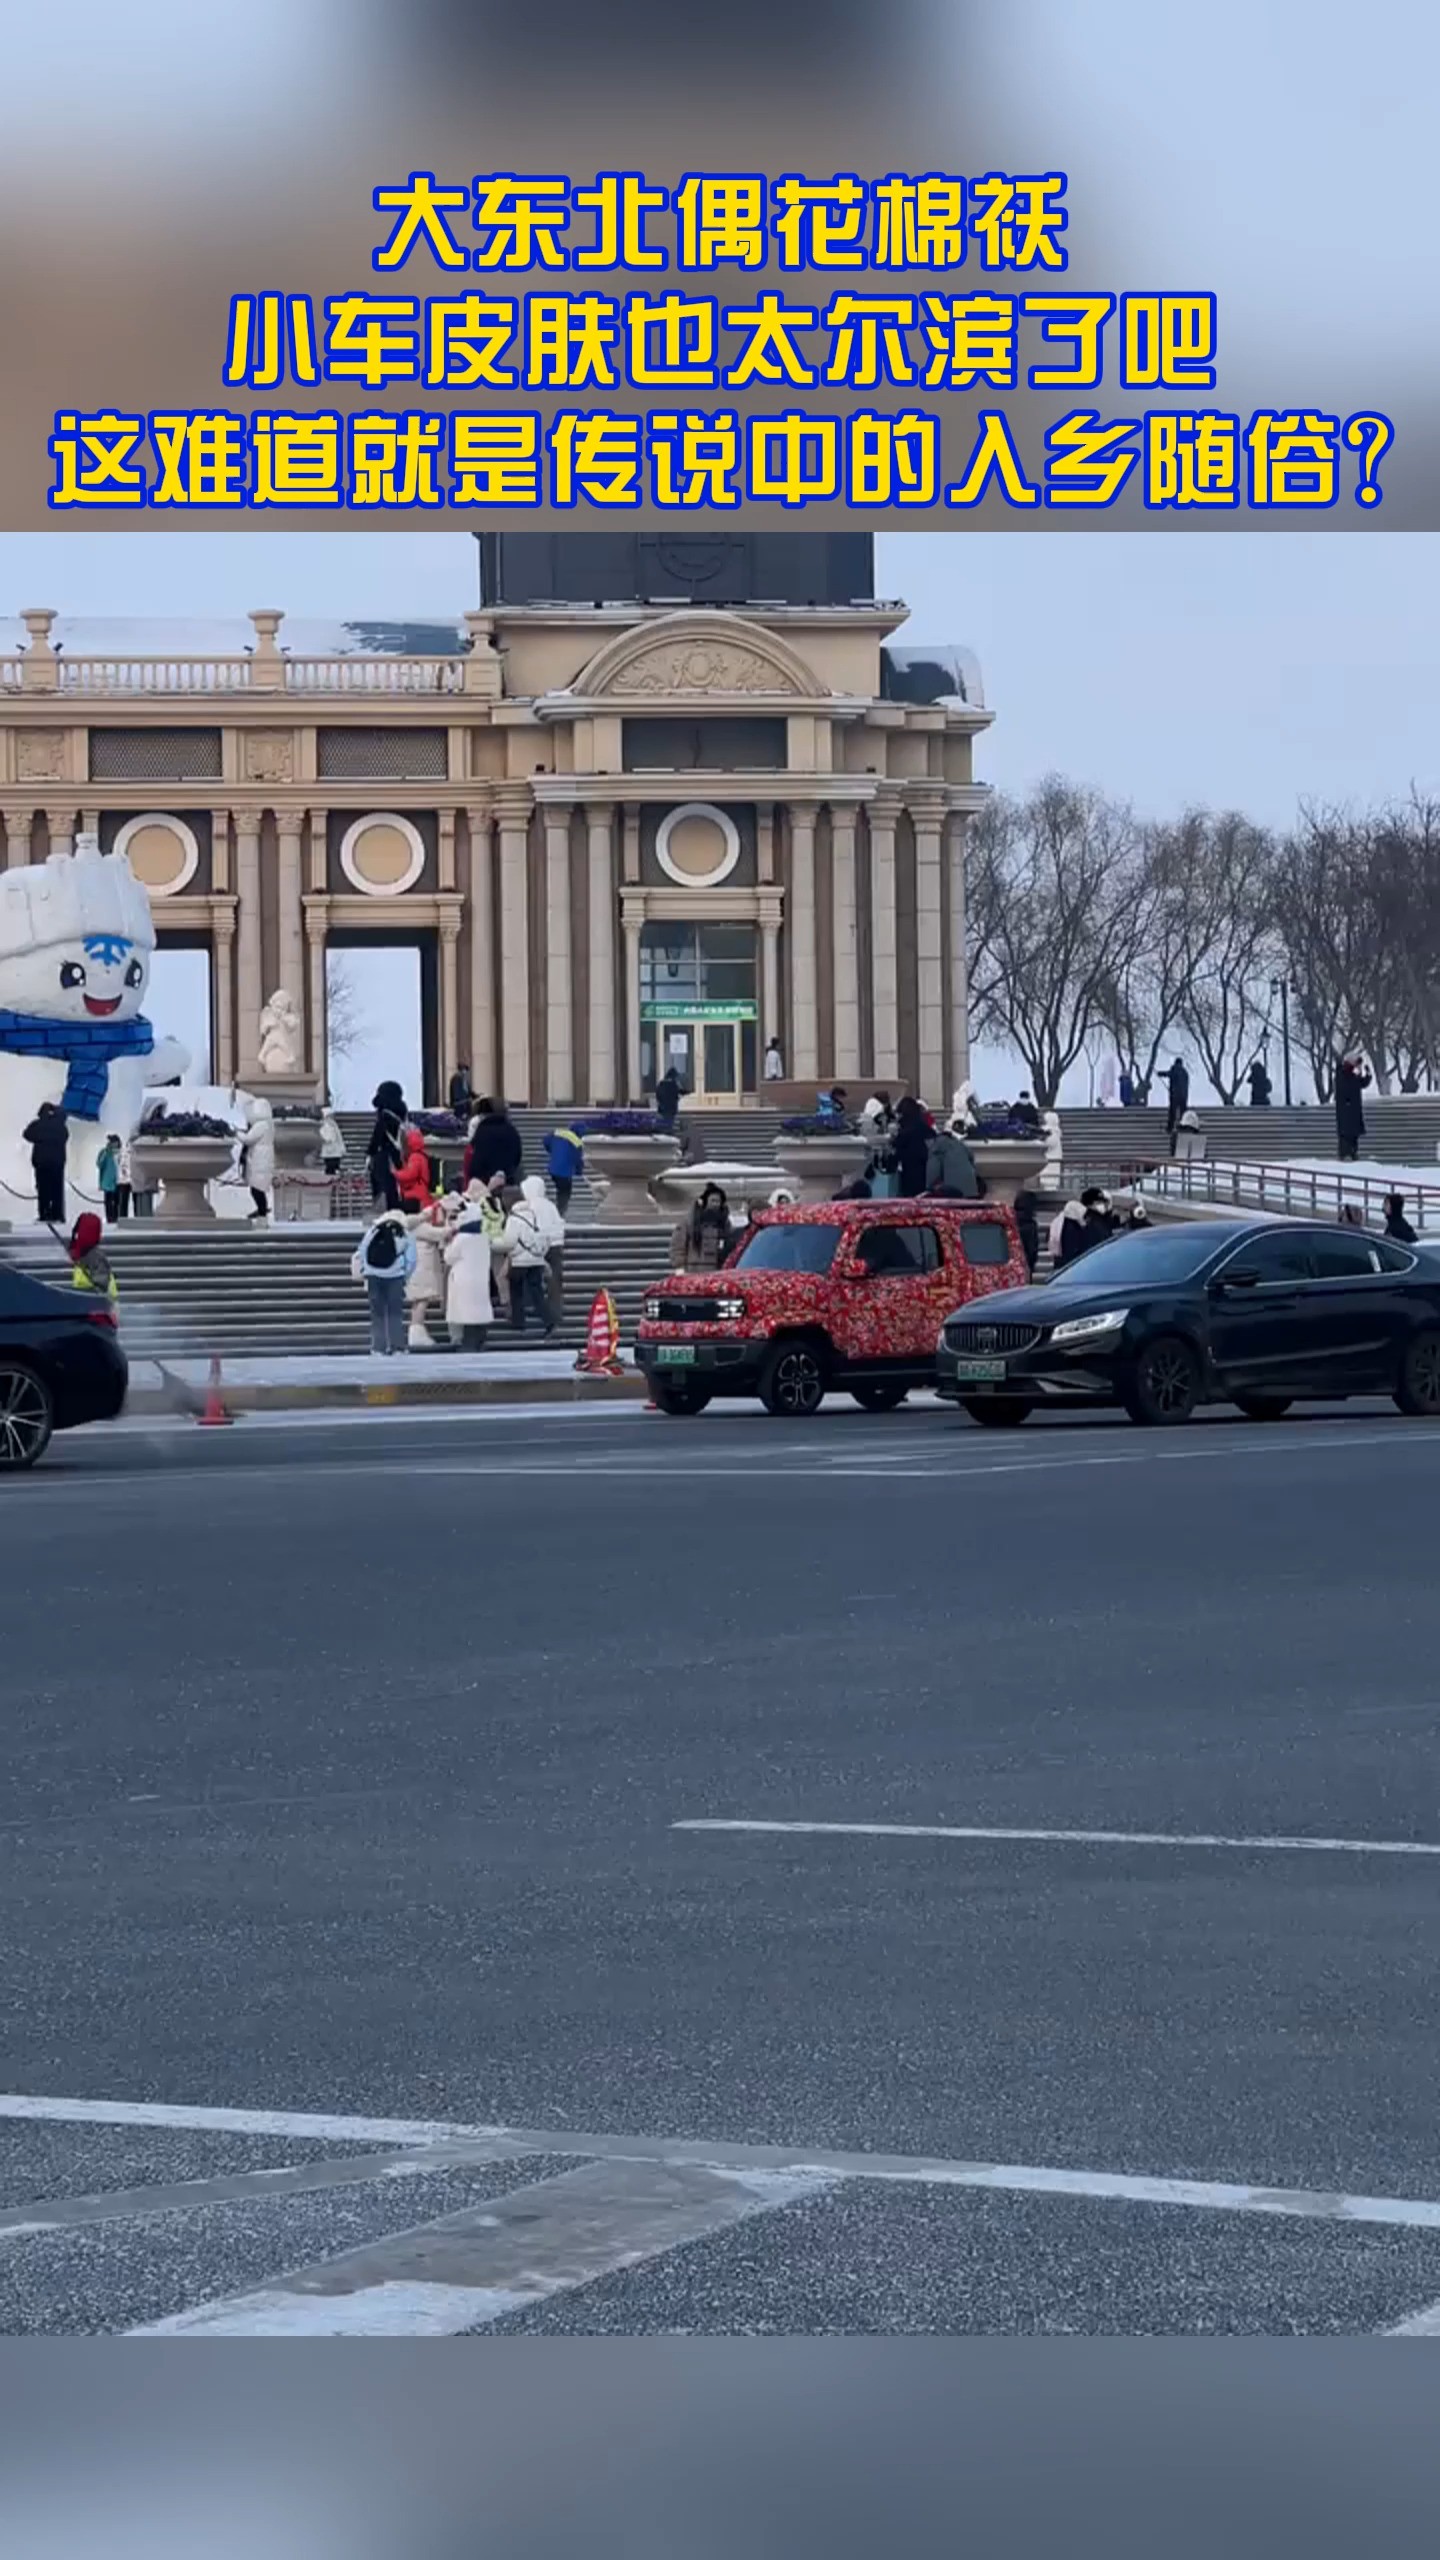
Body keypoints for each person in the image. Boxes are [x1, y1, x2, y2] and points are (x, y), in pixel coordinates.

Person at [503, 1173, 564, 1335]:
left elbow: (515, 1238)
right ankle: (551, 1317)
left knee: (517, 1287)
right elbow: (557, 1226)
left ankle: (519, 1320)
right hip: (546, 1251)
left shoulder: (522, 1212)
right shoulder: (548, 1206)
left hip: (525, 1255)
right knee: (543, 1287)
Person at [350, 1210, 415, 1356]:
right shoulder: (405, 1234)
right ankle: (397, 1347)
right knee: (395, 1313)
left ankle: (378, 1347)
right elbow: (412, 1259)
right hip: (395, 1277)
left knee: (377, 1313)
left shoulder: (373, 1231)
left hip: (374, 1276)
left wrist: (367, 1271)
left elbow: (362, 1251)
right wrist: (405, 1275)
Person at [442, 1207, 494, 1351]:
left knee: (467, 1313)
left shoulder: (461, 1238)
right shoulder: (484, 1238)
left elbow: (448, 1258)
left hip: (462, 1279)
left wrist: (448, 1243)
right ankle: (479, 1341)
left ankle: (469, 1344)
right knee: (479, 1311)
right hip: (481, 1279)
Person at [406, 1202, 449, 1349]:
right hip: (423, 1268)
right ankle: (417, 1330)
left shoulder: (408, 1225)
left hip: (416, 1268)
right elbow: (439, 1233)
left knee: (417, 1301)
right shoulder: (419, 1226)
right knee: (422, 1300)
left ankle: (416, 1329)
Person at [23, 1100, 69, 1225]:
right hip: (57, 1163)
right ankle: (57, 1214)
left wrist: (40, 1139)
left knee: (43, 1190)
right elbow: (65, 1137)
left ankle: (44, 1214)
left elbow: (26, 1134)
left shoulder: (37, 1125)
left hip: (41, 1162)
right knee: (57, 1190)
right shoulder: (60, 1126)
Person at [465, 1097, 523, 1193]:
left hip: (484, 1181)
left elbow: (476, 1155)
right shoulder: (511, 1130)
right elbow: (518, 1154)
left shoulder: (482, 1131)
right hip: (508, 1179)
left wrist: (475, 1175)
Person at [671, 1184, 734, 1271]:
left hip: (717, 1269)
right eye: (713, 1201)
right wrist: (679, 1266)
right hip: (694, 1269)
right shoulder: (690, 1221)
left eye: (718, 1201)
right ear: (706, 1201)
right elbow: (678, 1244)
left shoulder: (725, 1223)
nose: (715, 1204)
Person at [366, 1081, 407, 1209]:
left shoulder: (385, 1115)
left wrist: (370, 1153)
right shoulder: (401, 1114)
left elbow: (377, 1137)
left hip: (385, 1158)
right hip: (398, 1157)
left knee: (384, 1188)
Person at [925, 1114, 981, 1198]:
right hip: (971, 1188)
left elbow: (933, 1171)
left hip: (953, 1191)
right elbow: (971, 1158)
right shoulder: (959, 1144)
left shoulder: (936, 1147)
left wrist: (929, 1187)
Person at [890, 1094, 931, 1198]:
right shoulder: (923, 1125)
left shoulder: (905, 1129)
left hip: (910, 1168)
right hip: (926, 1166)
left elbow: (897, 1148)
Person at [542, 1120, 584, 1216]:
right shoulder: (577, 1142)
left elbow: (545, 1141)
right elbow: (578, 1159)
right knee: (565, 1192)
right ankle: (559, 1214)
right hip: (564, 1172)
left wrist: (552, 1151)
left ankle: (557, 1211)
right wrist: (579, 1171)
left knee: (560, 1189)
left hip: (553, 1169)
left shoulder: (558, 1133)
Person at [243, 1097, 275, 1223]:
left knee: (256, 1189)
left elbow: (248, 1139)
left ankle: (262, 1213)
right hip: (263, 1160)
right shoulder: (268, 1125)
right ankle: (262, 1212)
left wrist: (235, 1133)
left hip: (259, 1161)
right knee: (258, 1189)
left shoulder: (260, 1125)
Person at [1335, 1053, 1371, 1163]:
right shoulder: (1342, 1074)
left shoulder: (1353, 1075)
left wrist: (1367, 1074)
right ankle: (1345, 1153)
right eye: (1356, 1063)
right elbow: (1348, 1085)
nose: (1357, 1066)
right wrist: (1357, 1071)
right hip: (1346, 1111)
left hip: (1354, 1111)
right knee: (1346, 1135)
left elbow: (1362, 1083)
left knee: (1353, 1135)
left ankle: (1353, 1152)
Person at [395, 1125, 433, 1212]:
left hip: (415, 1196)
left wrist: (395, 1173)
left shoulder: (414, 1157)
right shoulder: (422, 1156)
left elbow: (410, 1174)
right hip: (421, 1194)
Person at [96, 1133, 123, 1224]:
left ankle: (116, 1218)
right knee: (108, 1203)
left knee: (117, 1202)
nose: (112, 1143)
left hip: (119, 1181)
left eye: (113, 1142)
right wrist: (106, 1152)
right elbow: (99, 1164)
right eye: (111, 1142)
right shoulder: (104, 1152)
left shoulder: (122, 1152)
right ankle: (110, 1219)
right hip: (107, 1182)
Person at [1165, 1057, 1190, 1151]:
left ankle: (1170, 1127)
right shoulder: (1185, 1072)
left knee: (1172, 1112)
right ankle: (1184, 1126)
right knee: (1183, 1112)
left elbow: (1169, 1074)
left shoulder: (1174, 1069)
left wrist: (1160, 1073)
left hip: (1175, 1095)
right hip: (1184, 1096)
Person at [319, 1109, 345, 1179]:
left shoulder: (334, 1125)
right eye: (330, 1116)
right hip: (328, 1152)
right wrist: (328, 1139)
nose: (332, 1117)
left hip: (335, 1151)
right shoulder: (322, 1125)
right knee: (330, 1168)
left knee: (335, 1167)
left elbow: (339, 1137)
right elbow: (322, 1136)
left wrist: (342, 1148)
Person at [655, 1065, 682, 1130]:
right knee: (669, 1125)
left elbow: (658, 1095)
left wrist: (661, 1102)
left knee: (663, 1125)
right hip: (671, 1109)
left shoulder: (662, 1083)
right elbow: (678, 1095)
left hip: (663, 1109)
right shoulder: (674, 1084)